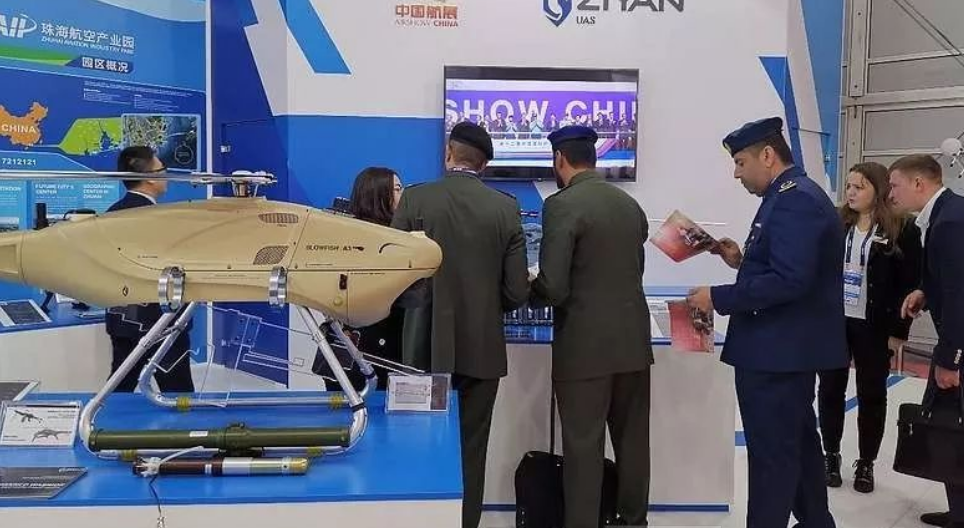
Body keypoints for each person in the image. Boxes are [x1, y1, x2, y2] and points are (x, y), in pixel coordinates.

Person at [687, 117, 847, 528]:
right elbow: (790, 268)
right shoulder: (790, 194)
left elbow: (790, 280)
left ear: (768, 155)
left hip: (777, 354)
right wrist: (740, 261)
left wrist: (718, 297)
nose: (736, 174)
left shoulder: (795, 201)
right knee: (799, 448)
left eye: (740, 162)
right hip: (783, 351)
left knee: (772, 458)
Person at [390, 121, 529, 528]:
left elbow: (392, 274)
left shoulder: (415, 199)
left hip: (421, 347)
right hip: (482, 350)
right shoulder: (505, 208)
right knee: (473, 448)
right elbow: (516, 291)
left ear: (448, 154)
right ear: (484, 165)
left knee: (417, 444)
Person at [529, 125, 654, 528]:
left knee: (583, 447)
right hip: (633, 344)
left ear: (559, 159)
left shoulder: (562, 206)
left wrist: (524, 291)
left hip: (584, 349)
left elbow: (554, 286)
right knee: (633, 443)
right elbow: (634, 270)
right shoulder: (629, 205)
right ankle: (633, 522)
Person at [817, 162, 922, 493]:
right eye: (848, 186)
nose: (850, 192)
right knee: (830, 390)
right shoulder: (836, 224)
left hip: (875, 325)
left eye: (859, 187)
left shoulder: (902, 228)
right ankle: (830, 455)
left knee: (872, 394)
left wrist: (899, 332)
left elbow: (910, 284)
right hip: (835, 322)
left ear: (878, 190)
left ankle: (866, 462)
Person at [887, 154, 964, 528]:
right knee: (950, 424)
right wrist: (924, 292)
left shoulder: (949, 222)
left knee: (951, 423)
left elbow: (961, 294)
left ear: (919, 183)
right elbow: (948, 279)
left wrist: (950, 359)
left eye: (895, 185)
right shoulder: (944, 215)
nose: (891, 194)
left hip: (957, 345)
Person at [105, 146, 195, 393]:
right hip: (161, 319)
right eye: (162, 169)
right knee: (178, 392)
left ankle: (105, 418)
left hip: (122, 319)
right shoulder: (159, 219)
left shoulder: (111, 214)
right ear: (150, 178)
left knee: (119, 386)